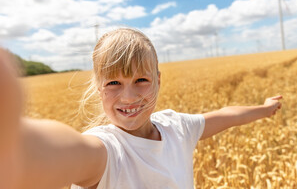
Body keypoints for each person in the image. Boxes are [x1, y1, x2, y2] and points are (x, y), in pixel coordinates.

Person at [0, 28, 282, 189]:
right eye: (113, 82)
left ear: (158, 81)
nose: (129, 96)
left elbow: (224, 116)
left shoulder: (176, 127)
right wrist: (12, 143)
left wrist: (264, 108)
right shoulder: (106, 151)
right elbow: (62, 153)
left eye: (141, 80)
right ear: (99, 89)